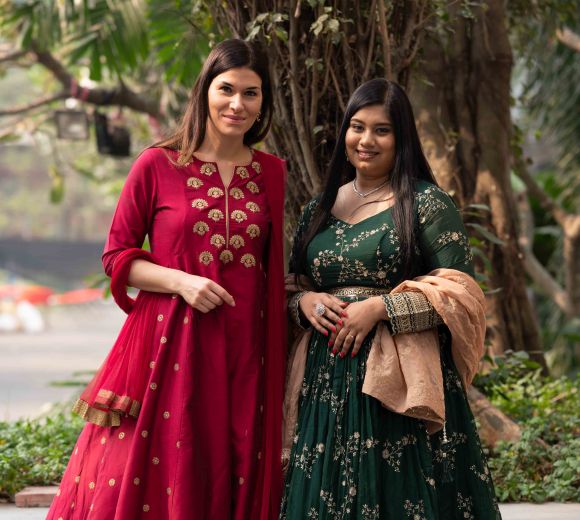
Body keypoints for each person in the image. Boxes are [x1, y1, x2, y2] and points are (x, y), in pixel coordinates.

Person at [47, 39, 287, 520]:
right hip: (171, 343)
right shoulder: (158, 164)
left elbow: (273, 269)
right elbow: (117, 256)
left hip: (247, 349)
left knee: (235, 458)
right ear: (205, 91)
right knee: (164, 463)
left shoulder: (271, 173)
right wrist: (182, 282)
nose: (237, 104)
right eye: (227, 89)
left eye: (251, 94)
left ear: (263, 103)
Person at [281, 79, 501, 519]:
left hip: (399, 387)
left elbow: (462, 294)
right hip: (325, 382)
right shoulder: (318, 209)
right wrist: (302, 304)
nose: (366, 140)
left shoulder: (426, 203)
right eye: (357, 127)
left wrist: (380, 308)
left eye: (382, 130)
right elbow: (292, 286)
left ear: (401, 138)